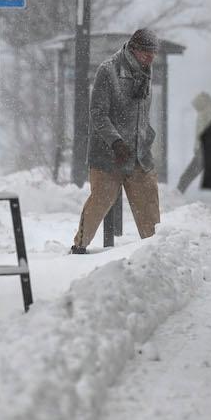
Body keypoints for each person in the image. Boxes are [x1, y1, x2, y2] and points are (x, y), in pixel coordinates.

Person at [70, 28, 162, 254]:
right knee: (100, 201)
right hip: (108, 155)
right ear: (133, 49)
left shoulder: (146, 72)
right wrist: (116, 142)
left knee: (149, 206)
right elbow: (98, 113)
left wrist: (146, 136)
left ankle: (155, 252)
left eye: (154, 53)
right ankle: (79, 247)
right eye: (146, 52)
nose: (151, 58)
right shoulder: (108, 70)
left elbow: (142, 113)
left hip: (139, 154)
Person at [175, 91, 211, 193]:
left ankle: (177, 193)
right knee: (189, 175)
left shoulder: (208, 112)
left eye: (197, 104)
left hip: (205, 150)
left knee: (188, 175)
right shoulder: (205, 112)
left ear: (202, 102)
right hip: (204, 150)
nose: (195, 107)